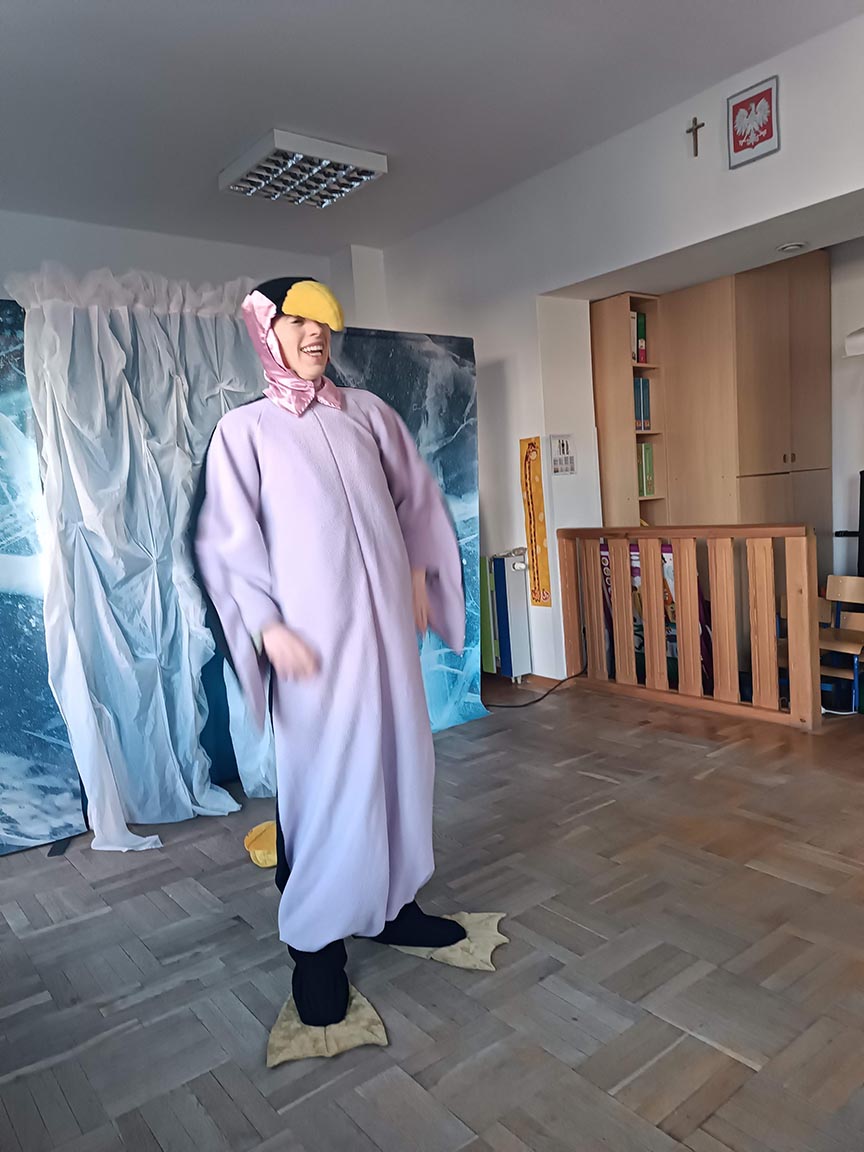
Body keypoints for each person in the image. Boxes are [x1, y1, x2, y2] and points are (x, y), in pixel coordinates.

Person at [194, 277, 467, 1027]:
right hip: (313, 644)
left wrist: (418, 573)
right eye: (296, 321)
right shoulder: (245, 431)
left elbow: (415, 498)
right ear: (266, 331)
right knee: (325, 787)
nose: (314, 334)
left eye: (321, 321)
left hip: (387, 639)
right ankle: (315, 947)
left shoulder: (366, 414)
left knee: (402, 767)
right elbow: (228, 540)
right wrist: (264, 624)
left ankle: (394, 905)